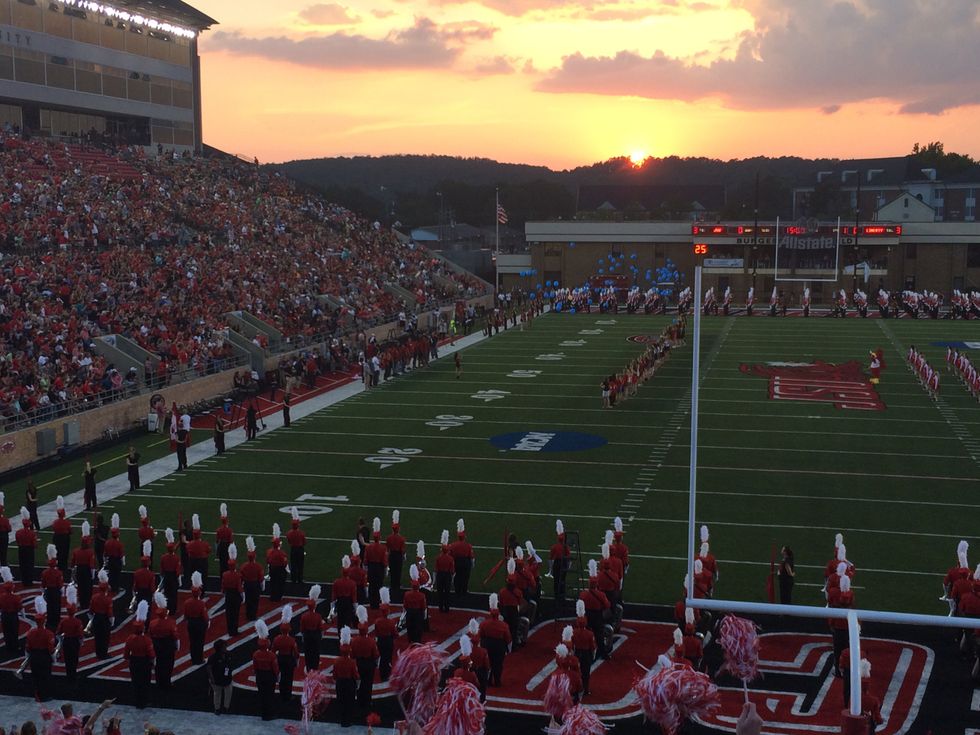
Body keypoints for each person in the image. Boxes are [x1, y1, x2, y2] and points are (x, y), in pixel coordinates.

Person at [124, 601, 154, 709]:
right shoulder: (146, 640)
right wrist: (152, 663)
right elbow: (151, 654)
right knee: (145, 683)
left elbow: (126, 654)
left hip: (134, 662)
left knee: (136, 682)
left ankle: (137, 701)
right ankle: (143, 701)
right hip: (144, 662)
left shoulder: (129, 639)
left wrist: (130, 659)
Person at [26, 597, 55, 701]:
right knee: (45, 676)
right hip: (44, 656)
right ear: (44, 621)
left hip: (34, 656)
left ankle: (37, 695)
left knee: (36, 676)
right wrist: (54, 658)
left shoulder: (30, 633)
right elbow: (51, 649)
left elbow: (28, 648)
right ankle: (45, 695)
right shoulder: (48, 633)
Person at [479, 593, 511, 687]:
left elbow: (481, 635)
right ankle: (497, 681)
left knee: (487, 663)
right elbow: (508, 638)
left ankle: (488, 680)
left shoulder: (484, 624)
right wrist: (508, 649)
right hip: (498, 646)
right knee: (498, 664)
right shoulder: (504, 625)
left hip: (487, 644)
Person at [351, 605, 379, 708]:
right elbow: (376, 655)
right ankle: (367, 701)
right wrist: (375, 664)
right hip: (369, 664)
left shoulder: (354, 641)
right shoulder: (371, 641)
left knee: (359, 683)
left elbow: (352, 655)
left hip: (359, 663)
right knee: (368, 683)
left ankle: (359, 700)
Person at [148, 592, 178, 689]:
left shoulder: (152, 623)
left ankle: (159, 682)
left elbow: (150, 634)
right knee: (168, 664)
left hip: (157, 644)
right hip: (168, 645)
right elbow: (174, 635)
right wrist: (176, 645)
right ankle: (166, 682)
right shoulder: (171, 622)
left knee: (159, 664)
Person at [251, 620, 279, 721]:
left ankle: (264, 713)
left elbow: (254, 667)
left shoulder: (255, 654)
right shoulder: (272, 655)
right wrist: (277, 675)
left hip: (260, 676)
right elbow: (275, 668)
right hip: (269, 676)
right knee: (269, 695)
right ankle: (269, 714)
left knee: (262, 695)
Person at [333, 627, 359, 727]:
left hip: (340, 683)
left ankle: (342, 719)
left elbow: (334, 675)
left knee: (341, 701)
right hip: (349, 684)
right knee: (349, 702)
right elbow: (355, 675)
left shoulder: (336, 661)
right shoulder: (352, 662)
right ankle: (348, 720)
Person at [272, 607, 299, 701]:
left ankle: (282, 693)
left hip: (280, 659)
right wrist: (297, 659)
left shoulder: (276, 639)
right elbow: (295, 652)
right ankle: (288, 695)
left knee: (282, 677)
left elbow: (273, 650)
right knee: (289, 678)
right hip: (289, 660)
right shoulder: (292, 640)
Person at [183, 572, 209, 665]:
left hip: (190, 623)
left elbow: (185, 615)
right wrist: (207, 622)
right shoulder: (201, 603)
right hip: (199, 623)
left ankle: (193, 658)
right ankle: (199, 659)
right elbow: (204, 616)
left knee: (192, 641)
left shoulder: (187, 602)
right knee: (199, 642)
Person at [300, 584, 325, 672]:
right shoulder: (318, 616)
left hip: (307, 634)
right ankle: (315, 667)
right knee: (315, 652)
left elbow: (302, 628)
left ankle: (308, 667)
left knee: (308, 652)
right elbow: (320, 628)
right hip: (315, 635)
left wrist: (303, 635)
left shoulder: (304, 616)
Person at [364, 518, 388, 608]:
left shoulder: (368, 547)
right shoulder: (383, 548)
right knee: (379, 586)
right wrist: (385, 571)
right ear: (380, 538)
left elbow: (365, 560)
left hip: (371, 568)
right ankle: (377, 603)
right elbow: (384, 561)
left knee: (371, 586)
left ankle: (372, 603)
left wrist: (366, 570)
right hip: (379, 568)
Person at [374, 587, 397, 681]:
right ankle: (386, 674)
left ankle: (382, 673)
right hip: (388, 641)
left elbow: (376, 632)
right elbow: (394, 633)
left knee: (382, 657)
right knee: (387, 658)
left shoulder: (377, 621)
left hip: (380, 640)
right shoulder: (391, 622)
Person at [89, 571, 113, 660]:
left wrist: (92, 619)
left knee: (97, 637)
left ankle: (98, 653)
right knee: (105, 637)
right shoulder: (108, 599)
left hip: (96, 618)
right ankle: (103, 654)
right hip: (104, 619)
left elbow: (91, 610)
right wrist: (111, 621)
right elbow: (109, 613)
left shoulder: (94, 597)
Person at [221, 544, 243, 636]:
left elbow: (223, 586)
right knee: (235, 613)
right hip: (235, 594)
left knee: (229, 613)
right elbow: (239, 587)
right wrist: (242, 595)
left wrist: (224, 592)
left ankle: (230, 630)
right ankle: (234, 630)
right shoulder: (237, 575)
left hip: (228, 594)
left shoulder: (225, 574)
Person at [208, 638, 234, 715]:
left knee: (228, 693)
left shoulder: (228, 654)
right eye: (224, 647)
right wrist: (212, 678)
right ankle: (217, 708)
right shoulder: (213, 657)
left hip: (227, 678)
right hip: (217, 679)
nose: (226, 648)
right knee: (217, 693)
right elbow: (209, 668)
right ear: (219, 648)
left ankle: (226, 707)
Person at [241, 536, 264, 621]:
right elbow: (261, 578)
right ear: (254, 557)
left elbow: (241, 577)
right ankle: (253, 615)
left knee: (248, 600)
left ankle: (248, 615)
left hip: (247, 584)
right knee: (255, 600)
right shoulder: (258, 566)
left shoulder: (244, 566)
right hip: (255, 585)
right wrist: (262, 586)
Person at [0, 567, 22, 656]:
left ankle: (8, 647)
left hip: (4, 615)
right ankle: (15, 646)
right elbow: (19, 607)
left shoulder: (1, 597)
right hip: (13, 616)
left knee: (6, 631)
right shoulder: (16, 597)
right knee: (14, 631)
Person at [450, 518, 474, 595]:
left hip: (456, 562)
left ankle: (457, 590)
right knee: (465, 577)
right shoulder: (468, 545)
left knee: (457, 576)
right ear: (464, 537)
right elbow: (471, 557)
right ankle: (464, 590)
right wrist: (472, 564)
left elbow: (450, 555)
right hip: (466, 563)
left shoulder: (453, 545)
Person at [15, 508, 38, 587]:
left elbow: (17, 541)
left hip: (21, 549)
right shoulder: (32, 533)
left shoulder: (18, 532)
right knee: (29, 565)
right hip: (29, 550)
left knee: (22, 565)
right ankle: (29, 581)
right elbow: (34, 545)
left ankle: (24, 581)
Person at [386, 510, 405, 600]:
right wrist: (403, 556)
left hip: (391, 555)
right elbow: (402, 550)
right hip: (398, 555)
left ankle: (392, 585)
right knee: (398, 571)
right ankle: (397, 585)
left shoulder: (389, 538)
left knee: (392, 571)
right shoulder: (401, 538)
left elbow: (387, 549)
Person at [435, 531, 455, 613]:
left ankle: (440, 608)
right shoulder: (451, 558)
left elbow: (436, 569)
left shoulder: (438, 558)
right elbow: (452, 570)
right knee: (447, 592)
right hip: (447, 575)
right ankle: (447, 608)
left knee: (440, 593)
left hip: (440, 575)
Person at [286, 508, 306, 583]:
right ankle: (300, 579)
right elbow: (304, 542)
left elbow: (289, 541)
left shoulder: (289, 533)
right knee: (300, 565)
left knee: (293, 565)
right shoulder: (301, 533)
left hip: (293, 549)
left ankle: (293, 579)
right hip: (300, 549)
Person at [0, 493, 10, 567]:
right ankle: (3, 563)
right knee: (3, 550)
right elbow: (9, 529)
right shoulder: (5, 520)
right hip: (3, 535)